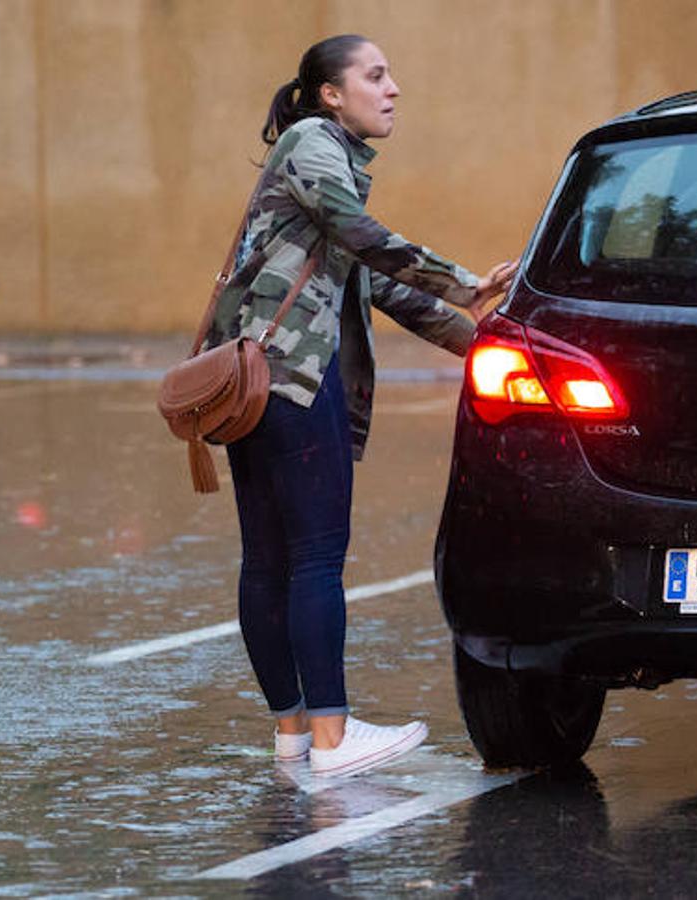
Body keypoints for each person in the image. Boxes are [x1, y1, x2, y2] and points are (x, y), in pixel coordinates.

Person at [206, 34, 517, 778]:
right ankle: (334, 738)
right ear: (330, 95)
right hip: (297, 378)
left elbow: (377, 283)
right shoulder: (315, 143)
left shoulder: (318, 156)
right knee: (312, 558)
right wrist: (463, 282)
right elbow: (363, 237)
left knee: (270, 561)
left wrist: (481, 341)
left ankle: (293, 735)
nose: (393, 89)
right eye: (375, 76)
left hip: (255, 381)